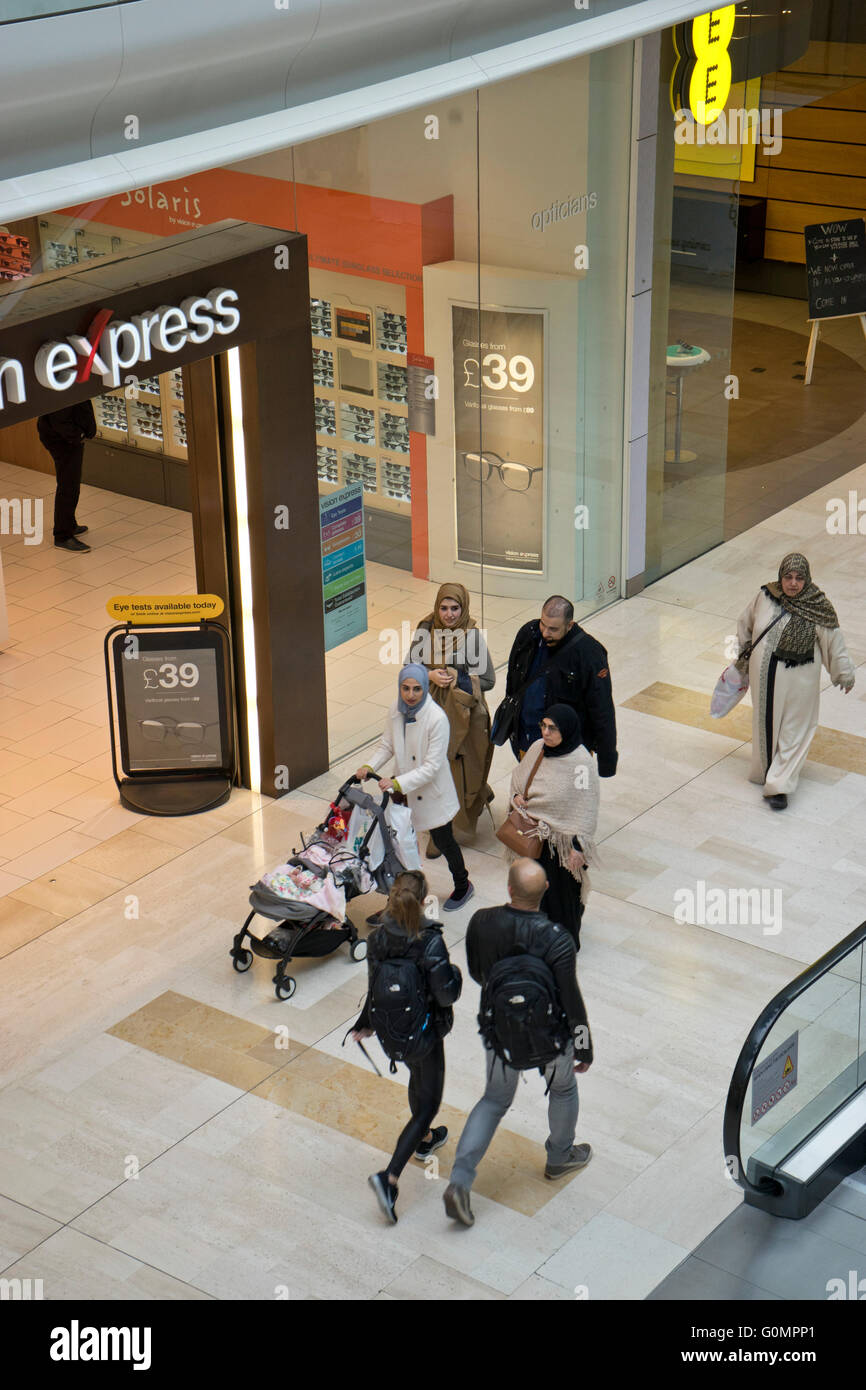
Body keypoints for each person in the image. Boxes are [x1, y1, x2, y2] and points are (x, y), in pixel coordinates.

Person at [443, 858, 593, 1227]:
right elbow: (570, 998)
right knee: (563, 1089)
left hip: (500, 1030)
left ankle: (460, 1181)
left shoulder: (481, 922)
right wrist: (584, 1044)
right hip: (551, 1035)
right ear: (545, 891)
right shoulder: (559, 938)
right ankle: (560, 1156)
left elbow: (479, 973)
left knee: (494, 1099)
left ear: (509, 889)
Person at [351, 870, 462, 1224]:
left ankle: (425, 1138)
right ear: (424, 898)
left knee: (418, 1077)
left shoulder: (379, 938)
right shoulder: (428, 941)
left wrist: (365, 1024)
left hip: (390, 1031)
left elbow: (373, 986)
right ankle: (389, 1177)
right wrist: (455, 974)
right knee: (428, 1102)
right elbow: (447, 993)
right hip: (425, 1033)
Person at [736, 552, 854, 810]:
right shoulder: (765, 596)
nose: (792, 583)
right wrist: (743, 655)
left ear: (807, 579)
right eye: (788, 577)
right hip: (765, 680)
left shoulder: (819, 608)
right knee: (765, 724)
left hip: (800, 684)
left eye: (799, 578)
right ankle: (763, 771)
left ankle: (779, 786)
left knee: (794, 731)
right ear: (780, 577)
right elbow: (745, 624)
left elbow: (835, 645)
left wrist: (843, 673)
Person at [356, 663, 474, 915]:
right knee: (394, 843)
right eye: (405, 688)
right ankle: (397, 898)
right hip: (402, 791)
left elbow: (432, 767)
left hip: (430, 793)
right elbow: (387, 745)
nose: (410, 694)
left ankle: (463, 885)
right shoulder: (395, 710)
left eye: (417, 689)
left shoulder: (437, 719)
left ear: (425, 689)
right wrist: (369, 765)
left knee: (444, 841)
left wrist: (398, 783)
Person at [409, 581, 495, 858]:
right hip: (428, 712)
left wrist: (459, 678)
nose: (448, 614)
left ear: (463, 607)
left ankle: (446, 831)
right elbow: (409, 667)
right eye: (443, 608)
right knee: (431, 767)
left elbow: (489, 680)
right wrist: (429, 675)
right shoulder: (426, 628)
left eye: (455, 608)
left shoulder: (471, 637)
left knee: (457, 770)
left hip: (461, 718)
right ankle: (441, 824)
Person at [507, 703, 599, 950]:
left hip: (564, 844)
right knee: (536, 893)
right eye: (543, 726)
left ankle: (566, 945)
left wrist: (578, 848)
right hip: (533, 836)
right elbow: (519, 779)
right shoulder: (538, 748)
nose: (545, 732)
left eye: (552, 728)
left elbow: (587, 807)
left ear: (566, 730)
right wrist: (516, 797)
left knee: (563, 898)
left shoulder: (581, 763)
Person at [500, 595, 617, 775]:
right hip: (526, 740)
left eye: (553, 629)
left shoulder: (589, 653)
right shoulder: (528, 634)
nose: (545, 632)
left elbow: (602, 709)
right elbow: (514, 681)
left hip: (566, 752)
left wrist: (607, 760)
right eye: (543, 624)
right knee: (529, 792)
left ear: (569, 625)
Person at [36, 401, 96, 552]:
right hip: (63, 440)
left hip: (67, 438)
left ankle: (69, 524)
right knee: (68, 486)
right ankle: (63, 536)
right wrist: (78, 435)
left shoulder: (70, 383)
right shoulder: (62, 387)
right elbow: (60, 421)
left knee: (71, 484)